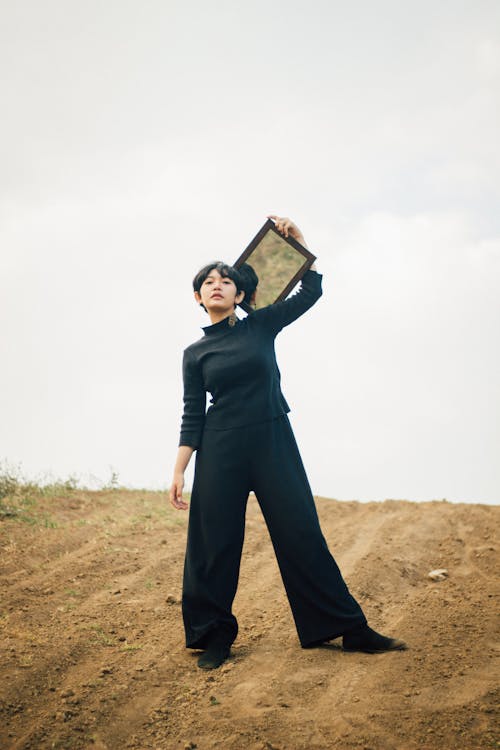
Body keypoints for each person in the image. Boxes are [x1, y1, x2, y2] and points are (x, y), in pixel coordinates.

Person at [169, 215, 406, 670]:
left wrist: (299, 242)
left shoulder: (261, 326)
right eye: (208, 282)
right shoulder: (194, 354)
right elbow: (192, 413)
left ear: (240, 295)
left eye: (226, 280)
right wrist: (180, 468)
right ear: (198, 298)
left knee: (300, 531)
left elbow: (310, 292)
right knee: (213, 543)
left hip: (273, 439)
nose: (217, 285)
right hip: (219, 450)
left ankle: (348, 629)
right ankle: (214, 637)